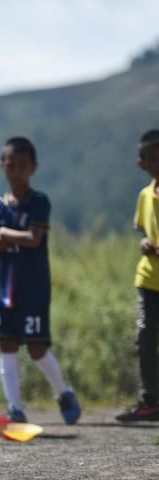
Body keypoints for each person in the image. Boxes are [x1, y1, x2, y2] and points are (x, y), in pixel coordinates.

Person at [0, 136, 81, 424]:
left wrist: (5, 234)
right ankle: (15, 407)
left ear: (33, 168)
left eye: (22, 166)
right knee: (7, 344)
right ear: (2, 166)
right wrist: (9, 236)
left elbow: (34, 238)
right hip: (5, 289)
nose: (16, 171)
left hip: (33, 288)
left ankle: (63, 392)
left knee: (37, 347)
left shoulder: (39, 201)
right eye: (10, 165)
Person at [117, 129, 159, 422]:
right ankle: (151, 400)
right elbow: (145, 231)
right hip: (148, 279)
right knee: (145, 338)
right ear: (141, 163)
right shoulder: (145, 195)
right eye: (152, 158)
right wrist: (144, 242)